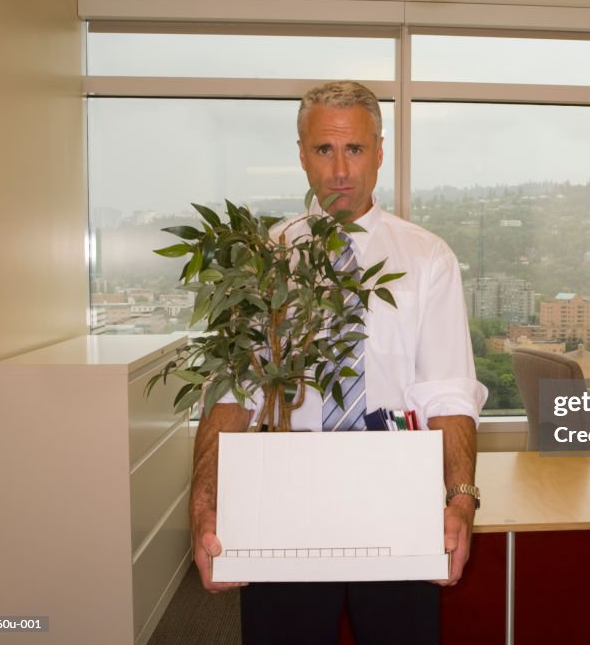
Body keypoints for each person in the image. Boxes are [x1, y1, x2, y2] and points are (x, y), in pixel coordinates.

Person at [188, 80, 487, 644]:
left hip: (399, 500)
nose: (341, 170)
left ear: (379, 152)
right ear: (302, 155)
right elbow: (232, 393)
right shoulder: (265, 258)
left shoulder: (427, 259)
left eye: (355, 149)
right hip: (283, 503)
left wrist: (460, 500)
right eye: (325, 150)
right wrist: (203, 506)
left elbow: (446, 392)